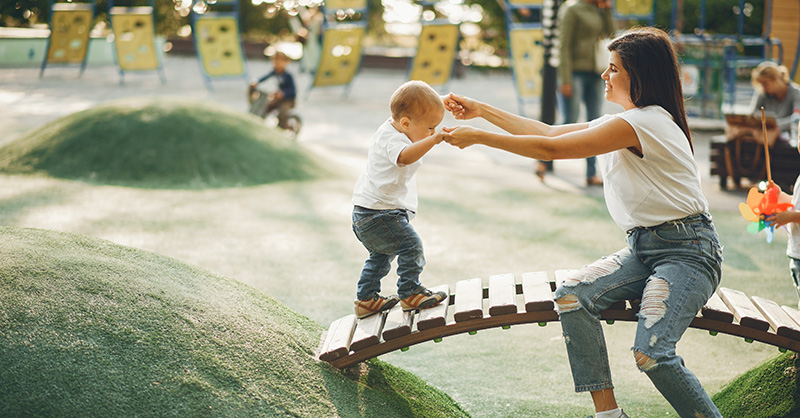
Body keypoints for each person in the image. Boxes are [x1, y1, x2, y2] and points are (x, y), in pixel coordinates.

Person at [443, 27, 723, 417]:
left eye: (613, 69)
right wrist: (481, 110)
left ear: (639, 75)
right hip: (644, 249)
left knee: (652, 353)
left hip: (688, 251)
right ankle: (608, 414)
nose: (605, 76)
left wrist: (480, 137)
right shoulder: (629, 120)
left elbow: (549, 149)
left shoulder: (644, 123)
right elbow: (549, 132)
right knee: (572, 295)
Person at [351, 80, 449, 319]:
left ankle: (366, 300)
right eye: (430, 127)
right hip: (378, 215)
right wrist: (435, 140)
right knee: (411, 246)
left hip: (368, 213)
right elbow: (404, 157)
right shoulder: (392, 139)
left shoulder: (397, 126)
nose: (432, 132)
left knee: (381, 256)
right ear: (405, 123)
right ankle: (410, 292)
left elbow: (416, 111)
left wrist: (436, 105)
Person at [535, 0, 615, 186]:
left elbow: (610, 35)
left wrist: (607, 10)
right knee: (569, 118)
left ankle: (590, 173)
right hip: (574, 73)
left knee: (596, 124)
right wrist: (565, 79)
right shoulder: (572, 8)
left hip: (596, 72)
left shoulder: (599, 9)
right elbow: (563, 45)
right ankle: (542, 158)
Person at [766, 120, 800, 310]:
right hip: (796, 253)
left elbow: (795, 212)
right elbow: (795, 204)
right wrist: (780, 194)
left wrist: (789, 217)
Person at [749, 61, 800, 143]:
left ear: (775, 79)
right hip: (765, 133)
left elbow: (797, 118)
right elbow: (753, 112)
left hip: (789, 136)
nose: (764, 87)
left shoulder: (796, 93)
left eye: (765, 84)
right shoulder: (764, 92)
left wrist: (778, 125)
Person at [249, 51, 297, 129]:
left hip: (287, 99)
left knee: (282, 113)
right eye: (275, 61)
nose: (277, 63)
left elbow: (292, 90)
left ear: (286, 62)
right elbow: (265, 77)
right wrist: (257, 82)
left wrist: (283, 93)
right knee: (266, 107)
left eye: (279, 61)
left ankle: (285, 127)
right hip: (277, 97)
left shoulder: (288, 76)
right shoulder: (275, 72)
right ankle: (260, 123)